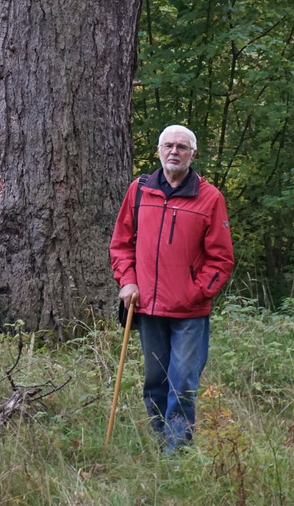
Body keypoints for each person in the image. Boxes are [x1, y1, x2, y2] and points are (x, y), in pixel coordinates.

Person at [110, 124, 234, 455]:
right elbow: (121, 244)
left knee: (182, 384)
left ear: (193, 154)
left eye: (182, 147)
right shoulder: (139, 191)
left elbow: (221, 260)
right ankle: (159, 440)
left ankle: (176, 452)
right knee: (155, 382)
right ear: (158, 150)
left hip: (189, 312)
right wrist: (128, 280)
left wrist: (196, 293)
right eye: (168, 145)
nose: (174, 152)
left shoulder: (210, 198)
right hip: (146, 306)